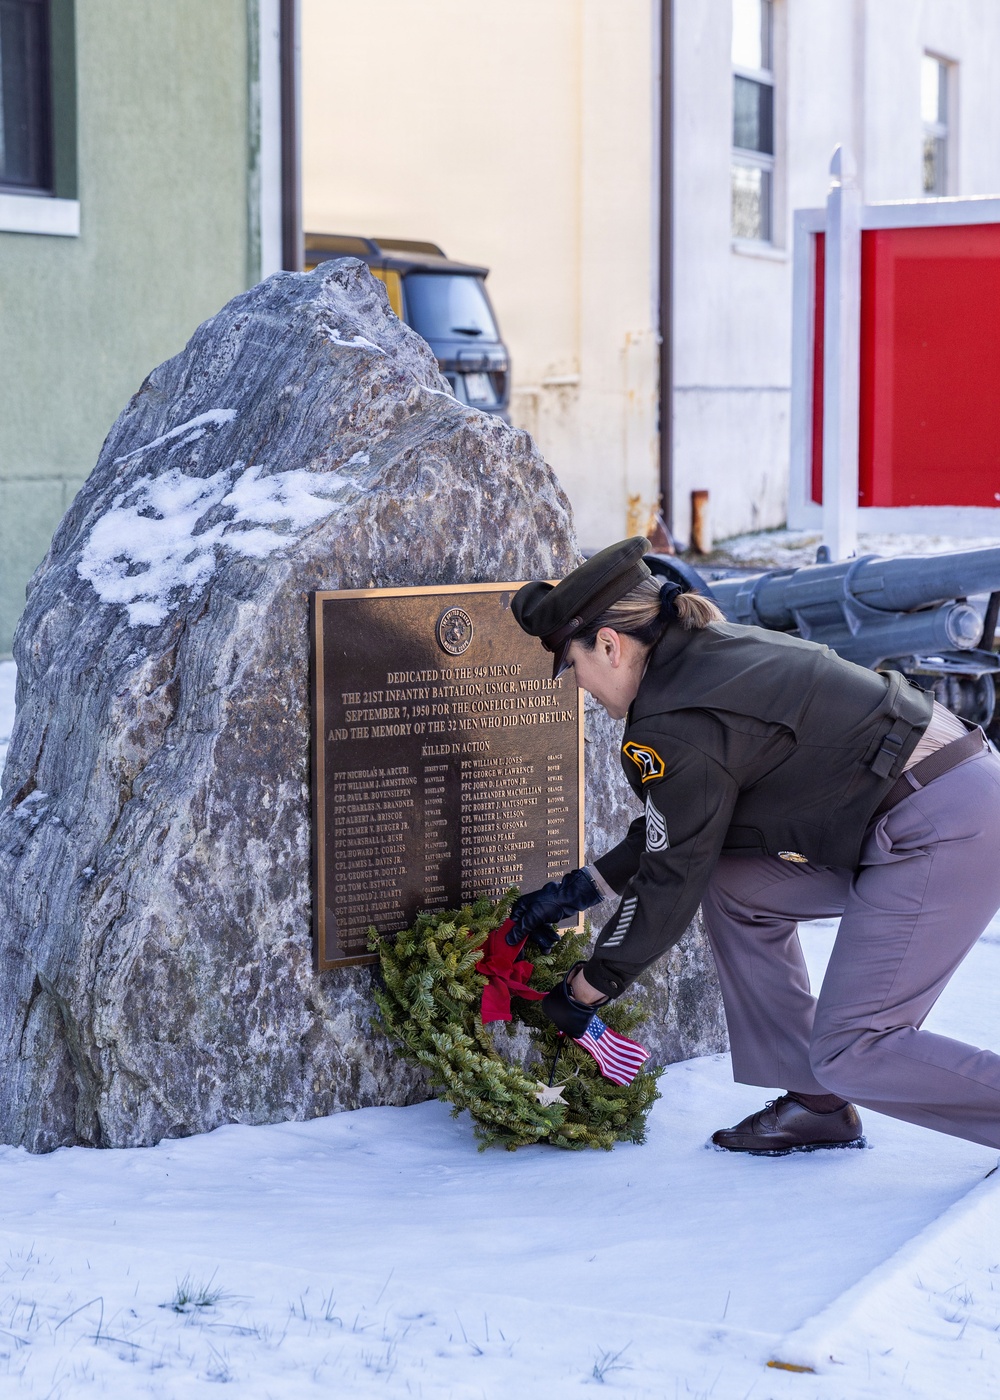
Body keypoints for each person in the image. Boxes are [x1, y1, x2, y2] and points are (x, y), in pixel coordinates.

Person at [508, 536, 1000, 1155]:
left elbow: (672, 872)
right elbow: (682, 826)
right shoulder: (697, 660)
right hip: (928, 801)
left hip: (944, 826)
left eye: (573, 667)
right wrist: (576, 891)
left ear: (608, 644)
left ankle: (837, 1080)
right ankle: (817, 1102)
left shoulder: (674, 721)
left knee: (855, 1048)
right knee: (736, 887)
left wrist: (589, 988)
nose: (578, 687)